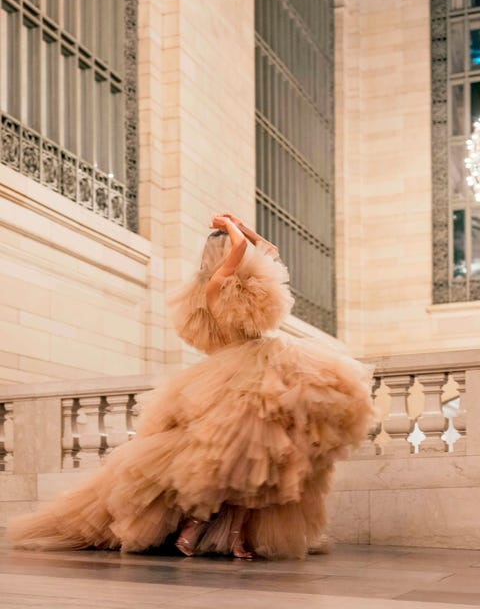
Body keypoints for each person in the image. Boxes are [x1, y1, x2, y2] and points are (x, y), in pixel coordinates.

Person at [8, 214, 375, 560]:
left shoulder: (236, 281)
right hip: (237, 372)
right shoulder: (215, 286)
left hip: (255, 367)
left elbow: (269, 253)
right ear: (224, 254)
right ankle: (193, 528)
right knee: (235, 460)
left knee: (259, 463)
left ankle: (232, 537)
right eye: (233, 247)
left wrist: (242, 226)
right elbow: (246, 252)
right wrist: (232, 226)